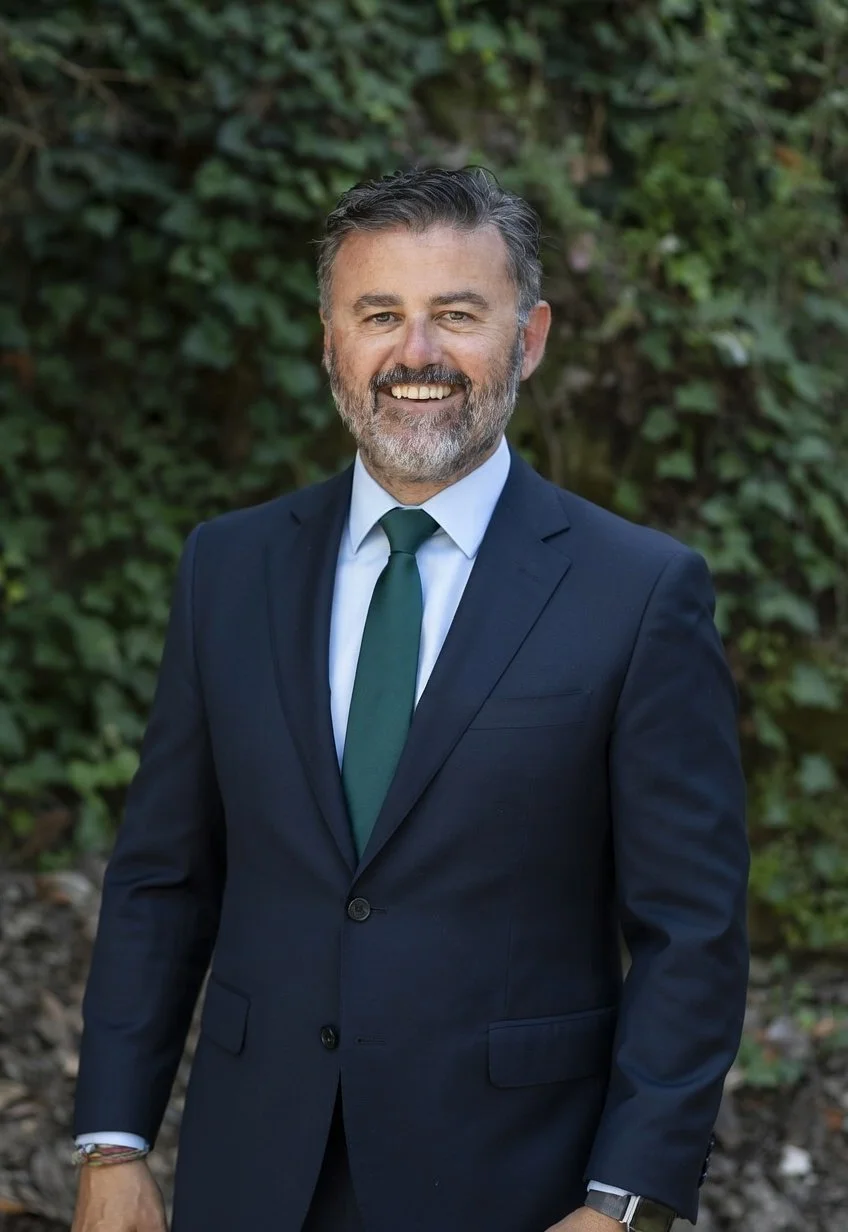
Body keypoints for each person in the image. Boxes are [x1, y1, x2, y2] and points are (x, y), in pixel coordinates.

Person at [71, 167, 749, 1232]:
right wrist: (111, 1139)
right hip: (250, 1173)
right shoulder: (227, 569)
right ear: (330, 340)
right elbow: (162, 876)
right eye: (379, 314)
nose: (416, 353)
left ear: (527, 339)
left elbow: (690, 928)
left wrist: (625, 1199)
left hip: (510, 1183)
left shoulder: (639, 592)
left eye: (456, 316)